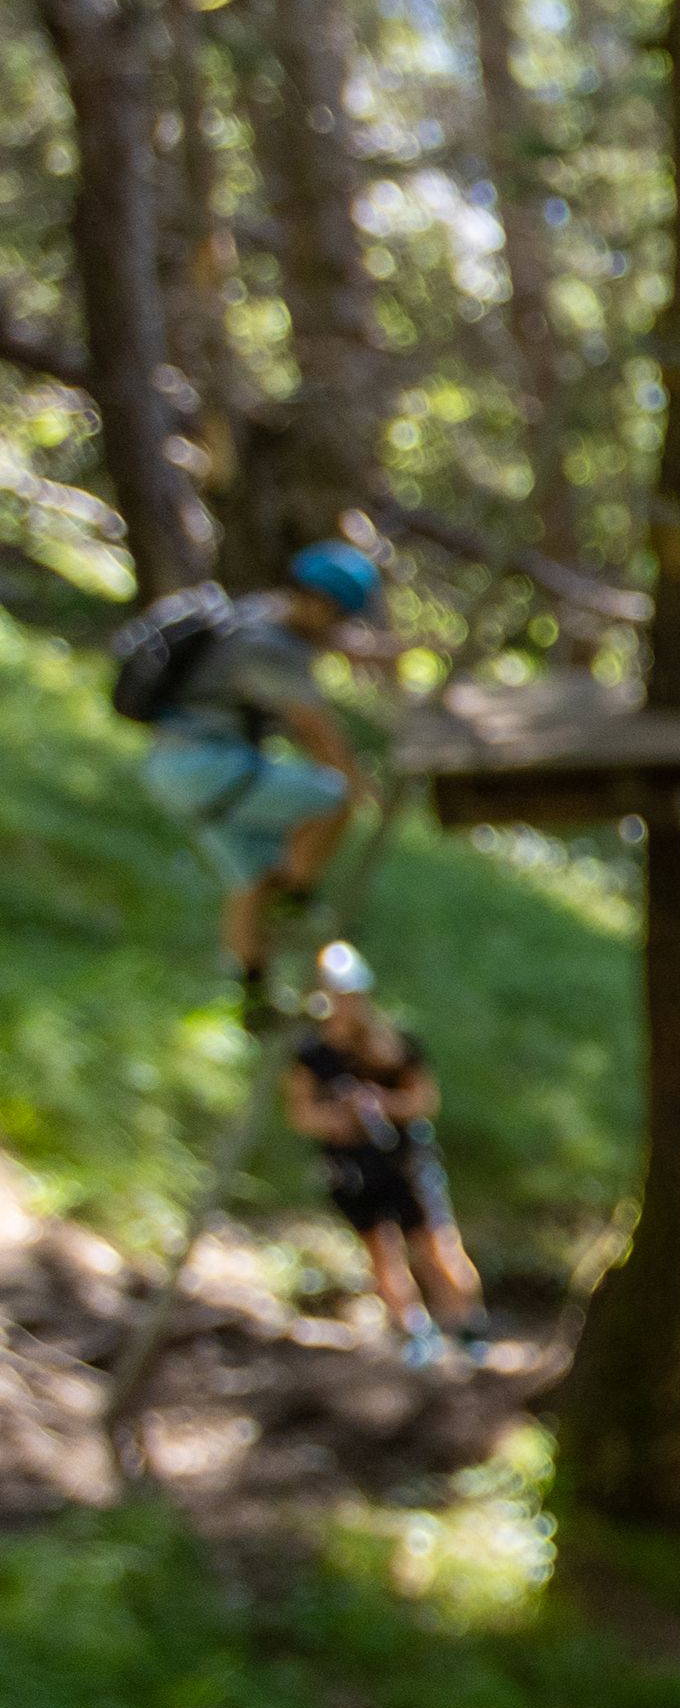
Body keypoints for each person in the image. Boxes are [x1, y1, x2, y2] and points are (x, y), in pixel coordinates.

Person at [142, 541, 382, 1015]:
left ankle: (252, 998)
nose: (338, 629)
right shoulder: (273, 650)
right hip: (205, 766)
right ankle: (298, 897)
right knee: (333, 798)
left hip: (170, 765)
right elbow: (318, 732)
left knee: (250, 878)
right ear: (318, 603)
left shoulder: (256, 615)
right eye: (338, 616)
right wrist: (360, 787)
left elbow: (323, 645)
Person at [283, 945, 484, 1369]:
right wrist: (337, 1117)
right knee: (380, 1249)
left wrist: (381, 1104)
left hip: (404, 1161)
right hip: (353, 1168)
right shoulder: (312, 1054)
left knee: (434, 1244)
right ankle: (415, 1331)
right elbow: (301, 1113)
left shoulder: (393, 1045)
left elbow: (424, 1100)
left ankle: (469, 1329)